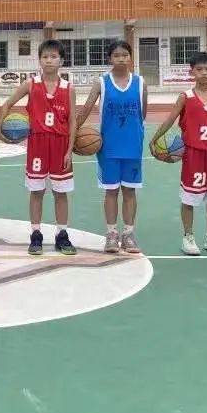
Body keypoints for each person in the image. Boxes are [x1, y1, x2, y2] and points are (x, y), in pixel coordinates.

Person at [148, 51, 207, 256]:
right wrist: (154, 139)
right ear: (192, 72)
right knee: (189, 197)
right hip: (194, 154)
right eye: (199, 69)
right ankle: (188, 236)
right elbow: (170, 119)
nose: (204, 73)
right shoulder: (186, 97)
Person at [0, 39, 76, 256]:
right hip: (37, 145)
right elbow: (7, 104)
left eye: (53, 56)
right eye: (45, 56)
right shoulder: (31, 84)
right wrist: (1, 131)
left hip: (60, 144)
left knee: (61, 193)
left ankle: (62, 234)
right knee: (36, 191)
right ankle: (36, 234)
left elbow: (72, 121)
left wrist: (69, 150)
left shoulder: (68, 88)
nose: (49, 60)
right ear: (39, 60)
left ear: (61, 61)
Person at [75, 40, 147, 254]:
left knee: (130, 191)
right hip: (109, 148)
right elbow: (86, 109)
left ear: (131, 57)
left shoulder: (140, 83)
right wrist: (72, 133)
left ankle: (129, 234)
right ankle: (112, 234)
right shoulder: (102, 83)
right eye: (116, 55)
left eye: (125, 55)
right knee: (111, 191)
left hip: (133, 146)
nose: (121, 59)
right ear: (110, 58)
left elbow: (142, 114)